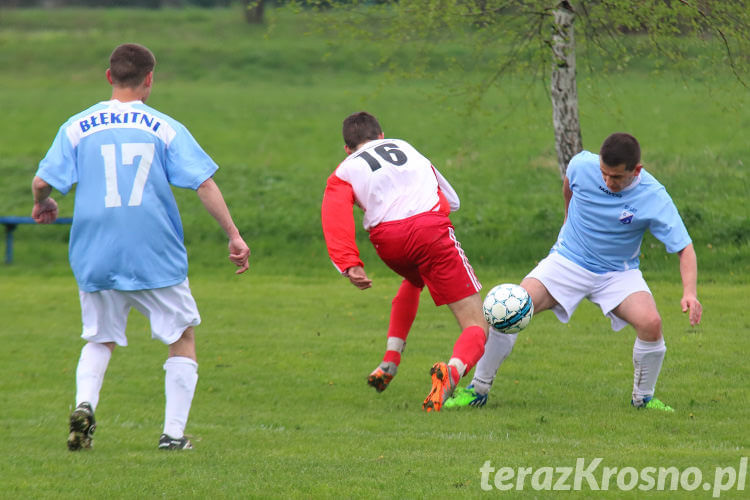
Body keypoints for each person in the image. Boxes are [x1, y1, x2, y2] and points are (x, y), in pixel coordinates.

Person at [32, 43, 250, 451]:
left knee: (99, 337)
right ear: (149, 80)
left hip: (95, 249)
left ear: (109, 77)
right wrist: (233, 234)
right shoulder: (163, 126)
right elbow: (203, 182)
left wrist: (42, 201)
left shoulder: (77, 126)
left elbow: (43, 180)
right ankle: (172, 435)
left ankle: (84, 406)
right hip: (153, 250)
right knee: (181, 335)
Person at [445, 132, 702, 411]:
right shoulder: (582, 165)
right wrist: (568, 218)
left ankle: (644, 399)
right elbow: (569, 186)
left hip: (618, 273)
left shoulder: (654, 197)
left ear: (636, 170)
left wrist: (690, 293)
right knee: (511, 306)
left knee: (651, 324)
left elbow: (685, 248)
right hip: (567, 261)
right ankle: (477, 390)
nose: (607, 181)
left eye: (616, 177)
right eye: (604, 173)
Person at [320, 111, 488, 412]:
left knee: (414, 279)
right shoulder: (405, 147)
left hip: (388, 242)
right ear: (382, 136)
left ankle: (390, 361)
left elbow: (335, 214)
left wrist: (350, 263)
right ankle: (451, 372)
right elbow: (452, 199)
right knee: (477, 324)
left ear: (347, 148)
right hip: (429, 230)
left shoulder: (343, 170)